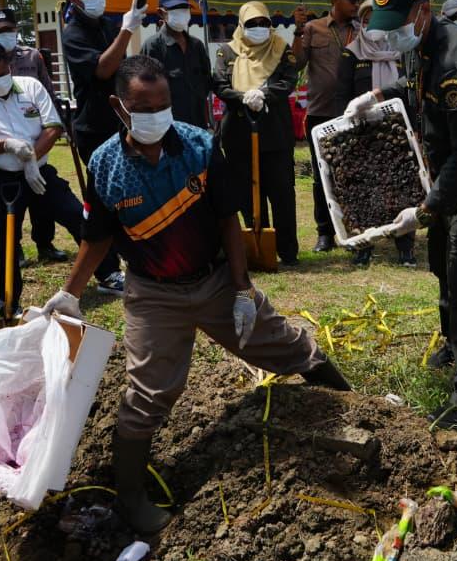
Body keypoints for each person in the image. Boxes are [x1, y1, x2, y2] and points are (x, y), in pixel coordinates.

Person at [39, 56, 350, 533]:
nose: (156, 115)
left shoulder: (201, 148)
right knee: (147, 393)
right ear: (118, 107)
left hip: (216, 281)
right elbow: (97, 236)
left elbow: (228, 219)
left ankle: (354, 410)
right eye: (143, 107)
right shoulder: (103, 166)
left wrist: (243, 289)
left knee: (286, 345)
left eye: (163, 105)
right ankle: (132, 496)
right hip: (152, 294)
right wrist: (69, 293)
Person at [344, 0, 457, 428]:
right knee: (441, 264)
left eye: (397, 25)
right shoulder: (424, 49)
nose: (390, 36)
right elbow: (417, 91)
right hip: (443, 176)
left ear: (424, 12)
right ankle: (453, 343)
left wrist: (425, 209)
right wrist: (376, 95)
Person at [0, 42, 85, 316]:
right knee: (4, 241)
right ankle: (8, 304)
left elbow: (53, 126)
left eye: (2, 73)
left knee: (75, 214)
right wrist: (6, 145)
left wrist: (31, 159)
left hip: (39, 172)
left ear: (9, 67)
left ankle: (108, 273)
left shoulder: (31, 87)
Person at [60, 0, 148, 294]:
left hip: (119, 122)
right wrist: (127, 31)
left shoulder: (107, 26)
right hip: (93, 128)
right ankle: (108, 272)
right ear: (74, 0)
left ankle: (134, 260)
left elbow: (121, 70)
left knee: (128, 195)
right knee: (101, 203)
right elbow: (103, 69)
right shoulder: (74, 34)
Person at [0, 7, 68, 262]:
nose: (6, 34)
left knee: (41, 198)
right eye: (0, 32)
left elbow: (48, 92)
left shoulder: (33, 56)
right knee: (3, 207)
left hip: (33, 139)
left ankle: (45, 243)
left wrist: (51, 125)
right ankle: (12, 249)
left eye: (10, 29)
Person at [214, 1, 301, 267]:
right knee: (247, 193)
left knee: (282, 193)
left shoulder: (281, 49)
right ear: (241, 26)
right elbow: (218, 83)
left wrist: (264, 94)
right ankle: (256, 245)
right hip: (240, 135)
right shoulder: (226, 52)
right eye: (252, 24)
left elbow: (288, 79)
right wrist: (242, 98)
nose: (259, 28)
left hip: (275, 134)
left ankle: (287, 251)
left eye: (264, 23)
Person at [335, 0, 417, 268]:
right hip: (361, 132)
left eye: (377, 19)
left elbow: (410, 88)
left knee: (401, 185)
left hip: (396, 130)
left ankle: (405, 246)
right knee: (363, 188)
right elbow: (341, 93)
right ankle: (364, 244)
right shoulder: (351, 53)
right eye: (366, 19)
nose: (372, 25)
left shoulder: (403, 51)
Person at [299, 0, 357, 253]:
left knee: (352, 173)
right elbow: (297, 62)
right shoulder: (313, 29)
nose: (357, 4)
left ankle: (352, 228)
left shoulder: (361, 29)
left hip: (353, 113)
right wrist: (298, 30)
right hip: (321, 114)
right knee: (322, 175)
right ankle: (325, 233)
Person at [138, 0, 212, 129]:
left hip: (198, 126)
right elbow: (146, 89)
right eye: (175, 9)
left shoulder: (197, 46)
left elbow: (206, 84)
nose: (182, 14)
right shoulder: (153, 46)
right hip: (168, 128)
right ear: (161, 13)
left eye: (184, 9)